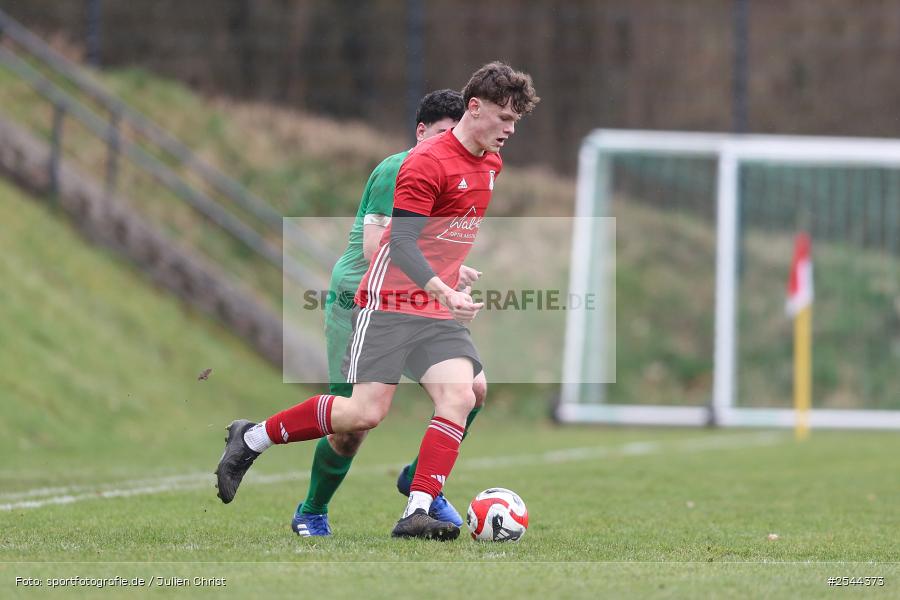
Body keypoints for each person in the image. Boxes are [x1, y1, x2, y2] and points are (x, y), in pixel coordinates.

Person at [216, 61, 539, 541]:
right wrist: (446, 289)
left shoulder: (491, 165)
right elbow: (399, 245)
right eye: (504, 117)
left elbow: (444, 236)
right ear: (475, 107)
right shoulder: (423, 163)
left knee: (464, 392)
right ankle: (253, 437)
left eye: (517, 121)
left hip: (433, 311)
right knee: (361, 415)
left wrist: (452, 275)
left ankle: (419, 507)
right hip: (387, 306)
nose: (511, 130)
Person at [291, 89, 488, 537]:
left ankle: (422, 483)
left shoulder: (460, 168)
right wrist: (441, 280)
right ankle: (311, 509)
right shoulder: (396, 170)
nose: (450, 144)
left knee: (471, 389)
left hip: (416, 304)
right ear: (422, 132)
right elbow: (375, 247)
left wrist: (452, 270)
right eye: (441, 134)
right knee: (353, 425)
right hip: (363, 303)